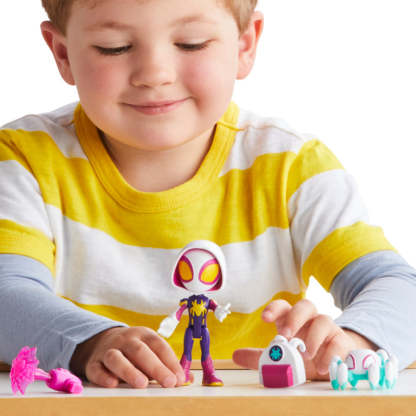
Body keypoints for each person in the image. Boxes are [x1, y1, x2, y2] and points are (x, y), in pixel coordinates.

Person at [0, 0, 415, 389]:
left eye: (191, 43)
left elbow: (400, 288)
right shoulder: (24, 160)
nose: (155, 74)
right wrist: (92, 341)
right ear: (63, 53)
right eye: (115, 47)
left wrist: (352, 343)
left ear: (245, 44)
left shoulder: (291, 166)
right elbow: (6, 293)